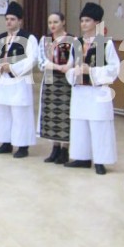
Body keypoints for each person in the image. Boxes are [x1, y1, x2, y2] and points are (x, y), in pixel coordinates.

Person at [64, 2, 119, 175]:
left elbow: (114, 68)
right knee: (79, 124)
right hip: (80, 91)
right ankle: (82, 157)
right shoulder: (76, 43)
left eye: (87, 20)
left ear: (96, 22)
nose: (84, 24)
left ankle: (100, 161)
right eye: (82, 20)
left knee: (99, 125)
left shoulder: (105, 43)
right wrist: (73, 72)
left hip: (97, 91)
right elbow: (69, 66)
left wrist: (92, 71)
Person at [0, 1, 38, 159]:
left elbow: (32, 58)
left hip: (19, 81)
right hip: (2, 81)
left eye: (12, 19)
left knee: (20, 114)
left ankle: (22, 146)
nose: (9, 22)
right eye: (7, 19)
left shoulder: (28, 38)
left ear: (20, 21)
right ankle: (5, 143)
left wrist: (12, 67)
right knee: (3, 113)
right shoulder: (0, 38)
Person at [37, 12, 75, 164]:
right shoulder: (45, 40)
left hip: (66, 81)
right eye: (50, 22)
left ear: (63, 22)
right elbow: (41, 60)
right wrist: (57, 67)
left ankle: (65, 149)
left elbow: (74, 59)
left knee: (64, 114)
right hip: (50, 79)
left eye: (56, 22)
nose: (52, 25)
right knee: (51, 114)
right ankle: (55, 147)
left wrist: (67, 67)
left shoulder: (72, 40)